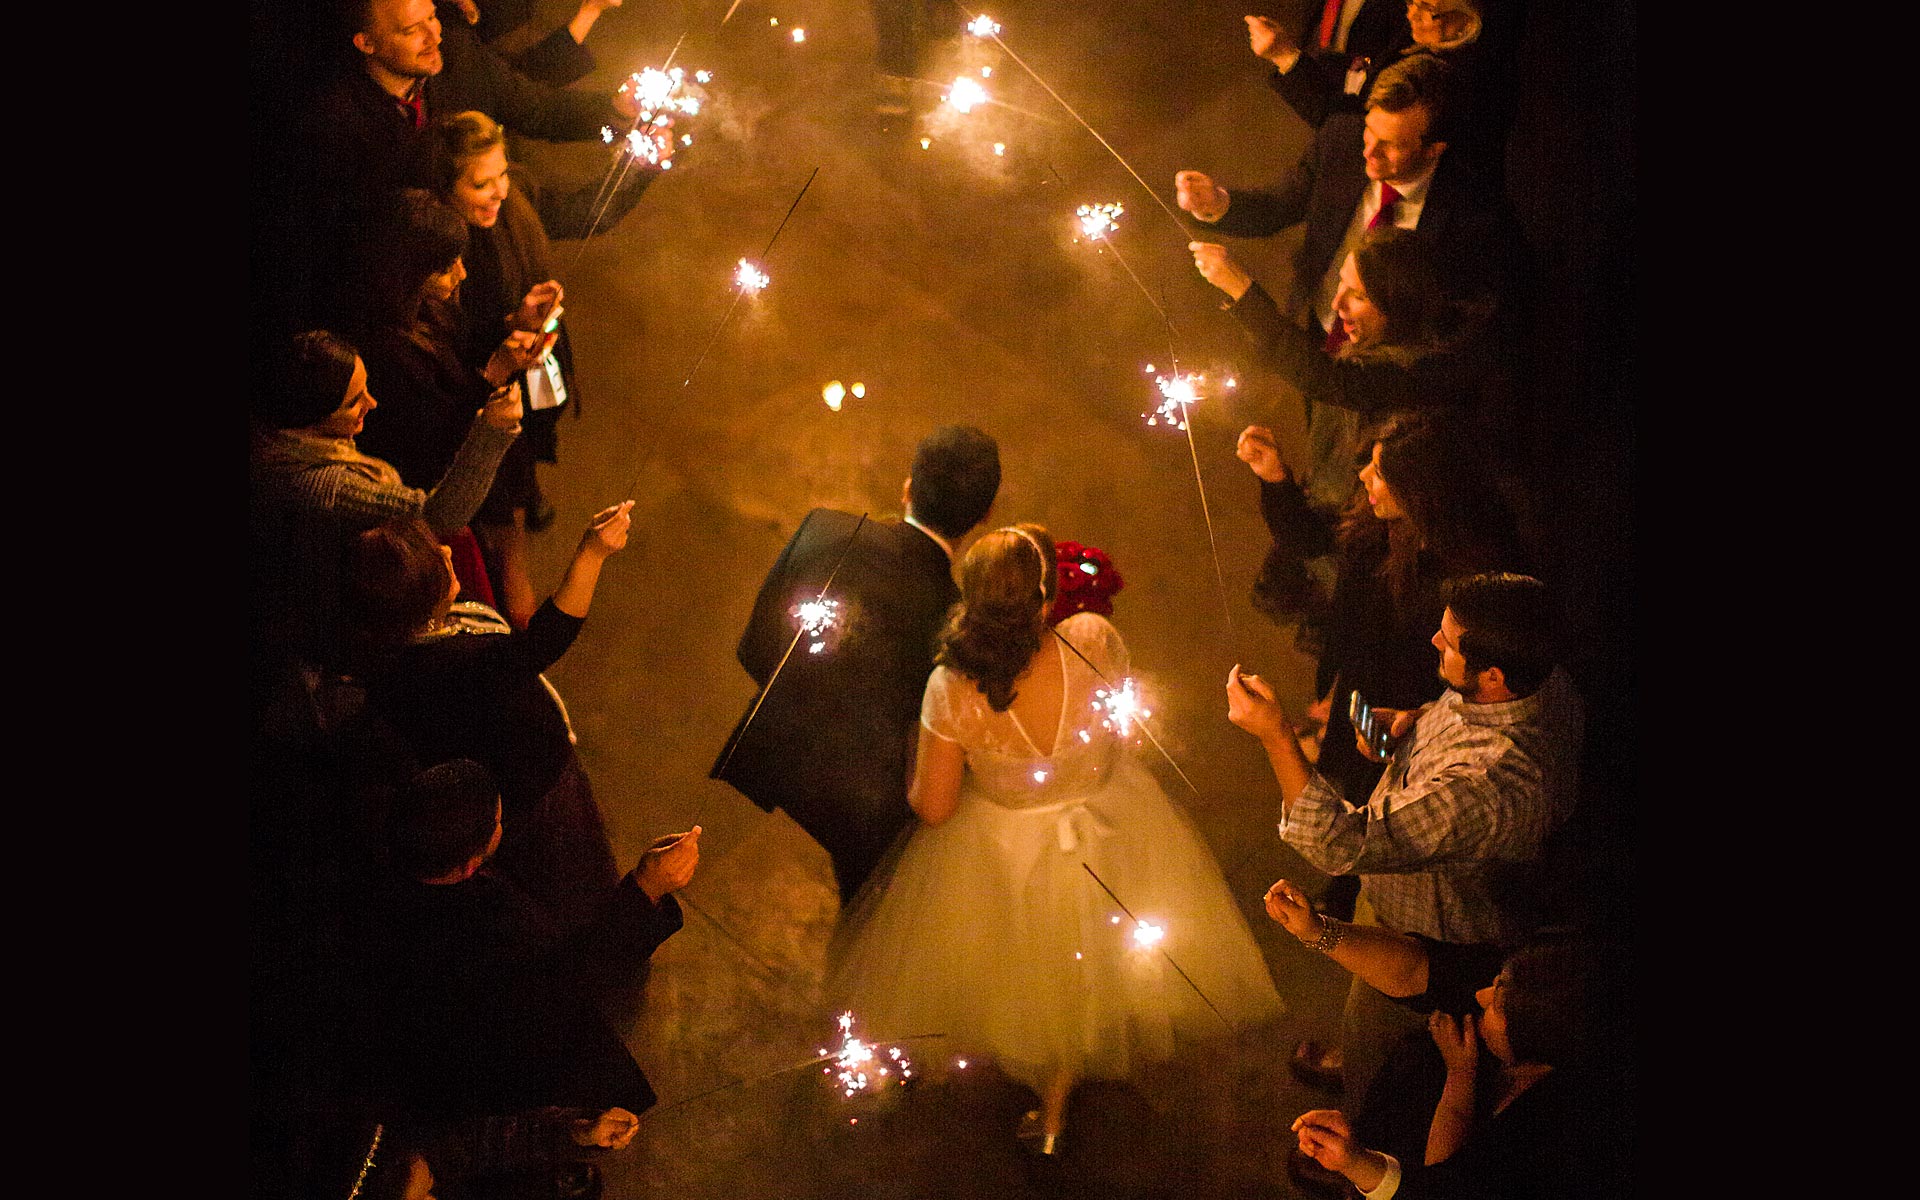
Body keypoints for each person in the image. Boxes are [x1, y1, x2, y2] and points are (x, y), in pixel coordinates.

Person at [831, 525, 1285, 1156]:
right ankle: (1055, 1110)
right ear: (1047, 597)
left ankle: (1034, 1086)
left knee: (1014, 970)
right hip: (1108, 826)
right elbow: (1117, 735)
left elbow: (934, 809)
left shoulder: (951, 688)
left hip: (999, 851)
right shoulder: (1095, 640)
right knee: (1089, 963)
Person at [1226, 571, 1581, 1106]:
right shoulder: (1541, 680)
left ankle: (1366, 1126)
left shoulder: (1491, 785)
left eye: (1450, 642)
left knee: (1375, 1048)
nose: (1434, 642)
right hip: (1412, 885)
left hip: (1424, 936)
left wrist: (1275, 734)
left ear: (1493, 678)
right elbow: (1465, 722)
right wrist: (1413, 725)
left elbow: (1337, 844)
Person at [1175, 54, 1520, 507]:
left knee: (1363, 499)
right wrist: (1217, 204)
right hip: (1319, 341)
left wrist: (1242, 291)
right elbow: (1279, 205)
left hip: (1393, 384)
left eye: (1391, 146)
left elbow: (1463, 342)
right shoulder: (1340, 141)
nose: (1369, 155)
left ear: (1434, 149)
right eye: (1369, 134)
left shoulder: (1475, 217)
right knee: (1326, 483)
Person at [713, 426, 1003, 902]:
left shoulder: (825, 530)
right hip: (861, 811)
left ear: (908, 485)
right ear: (983, 516)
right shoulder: (957, 623)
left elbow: (755, 650)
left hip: (773, 754)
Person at [352, 759, 700, 1122]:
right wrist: (647, 888)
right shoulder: (478, 945)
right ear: (470, 866)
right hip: (495, 1079)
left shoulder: (381, 861)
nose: (505, 823)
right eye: (498, 822)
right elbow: (567, 985)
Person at [346, 501, 635, 929]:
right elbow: (544, 641)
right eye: (436, 558)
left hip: (494, 771)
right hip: (532, 787)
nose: (447, 552)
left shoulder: (389, 650)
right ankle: (602, 930)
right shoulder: (460, 664)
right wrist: (591, 553)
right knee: (569, 866)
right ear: (423, 597)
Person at [1271, 901, 1627, 1199]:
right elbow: (1422, 970)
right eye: (1497, 984)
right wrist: (1317, 931)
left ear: (1542, 1046)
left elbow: (1448, 1186)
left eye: (1497, 1005)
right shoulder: (1549, 981)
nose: (1482, 995)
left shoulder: (1569, 1140)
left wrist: (1357, 1165)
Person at [435, 110, 658, 533]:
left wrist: (641, 165)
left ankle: (531, 481)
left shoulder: (515, 202)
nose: (500, 191)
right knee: (507, 477)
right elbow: (450, 343)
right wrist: (511, 322)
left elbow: (583, 213)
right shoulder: (443, 252)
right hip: (490, 391)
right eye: (480, 184)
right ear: (446, 188)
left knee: (539, 427)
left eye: (501, 174)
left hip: (538, 367)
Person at [251, 329, 522, 667]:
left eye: (366, 388)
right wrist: (493, 431)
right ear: (310, 415)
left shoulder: (287, 444)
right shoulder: (325, 487)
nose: (372, 402)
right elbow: (441, 516)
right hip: (352, 641)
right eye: (354, 401)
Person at [346, 189, 552, 621]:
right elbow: (435, 435)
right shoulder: (385, 350)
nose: (460, 274)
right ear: (409, 271)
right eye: (445, 266)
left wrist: (517, 323)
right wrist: (494, 374)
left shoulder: (428, 307)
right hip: (442, 487)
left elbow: (460, 353)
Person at [1194, 227, 1514, 481]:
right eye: (1341, 285)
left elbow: (1331, 379)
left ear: (1398, 305)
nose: (1337, 305)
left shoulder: (1431, 374)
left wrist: (1241, 289)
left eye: (1358, 295)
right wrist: (1276, 480)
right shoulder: (1376, 358)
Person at [1249, 1, 1515, 177]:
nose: (1411, 14)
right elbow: (1352, 107)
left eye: (1426, 8)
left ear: (1468, 19)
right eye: (1411, 1)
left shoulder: (1458, 84)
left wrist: (1285, 56)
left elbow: (1352, 130)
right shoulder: (1412, 36)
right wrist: (1285, 55)